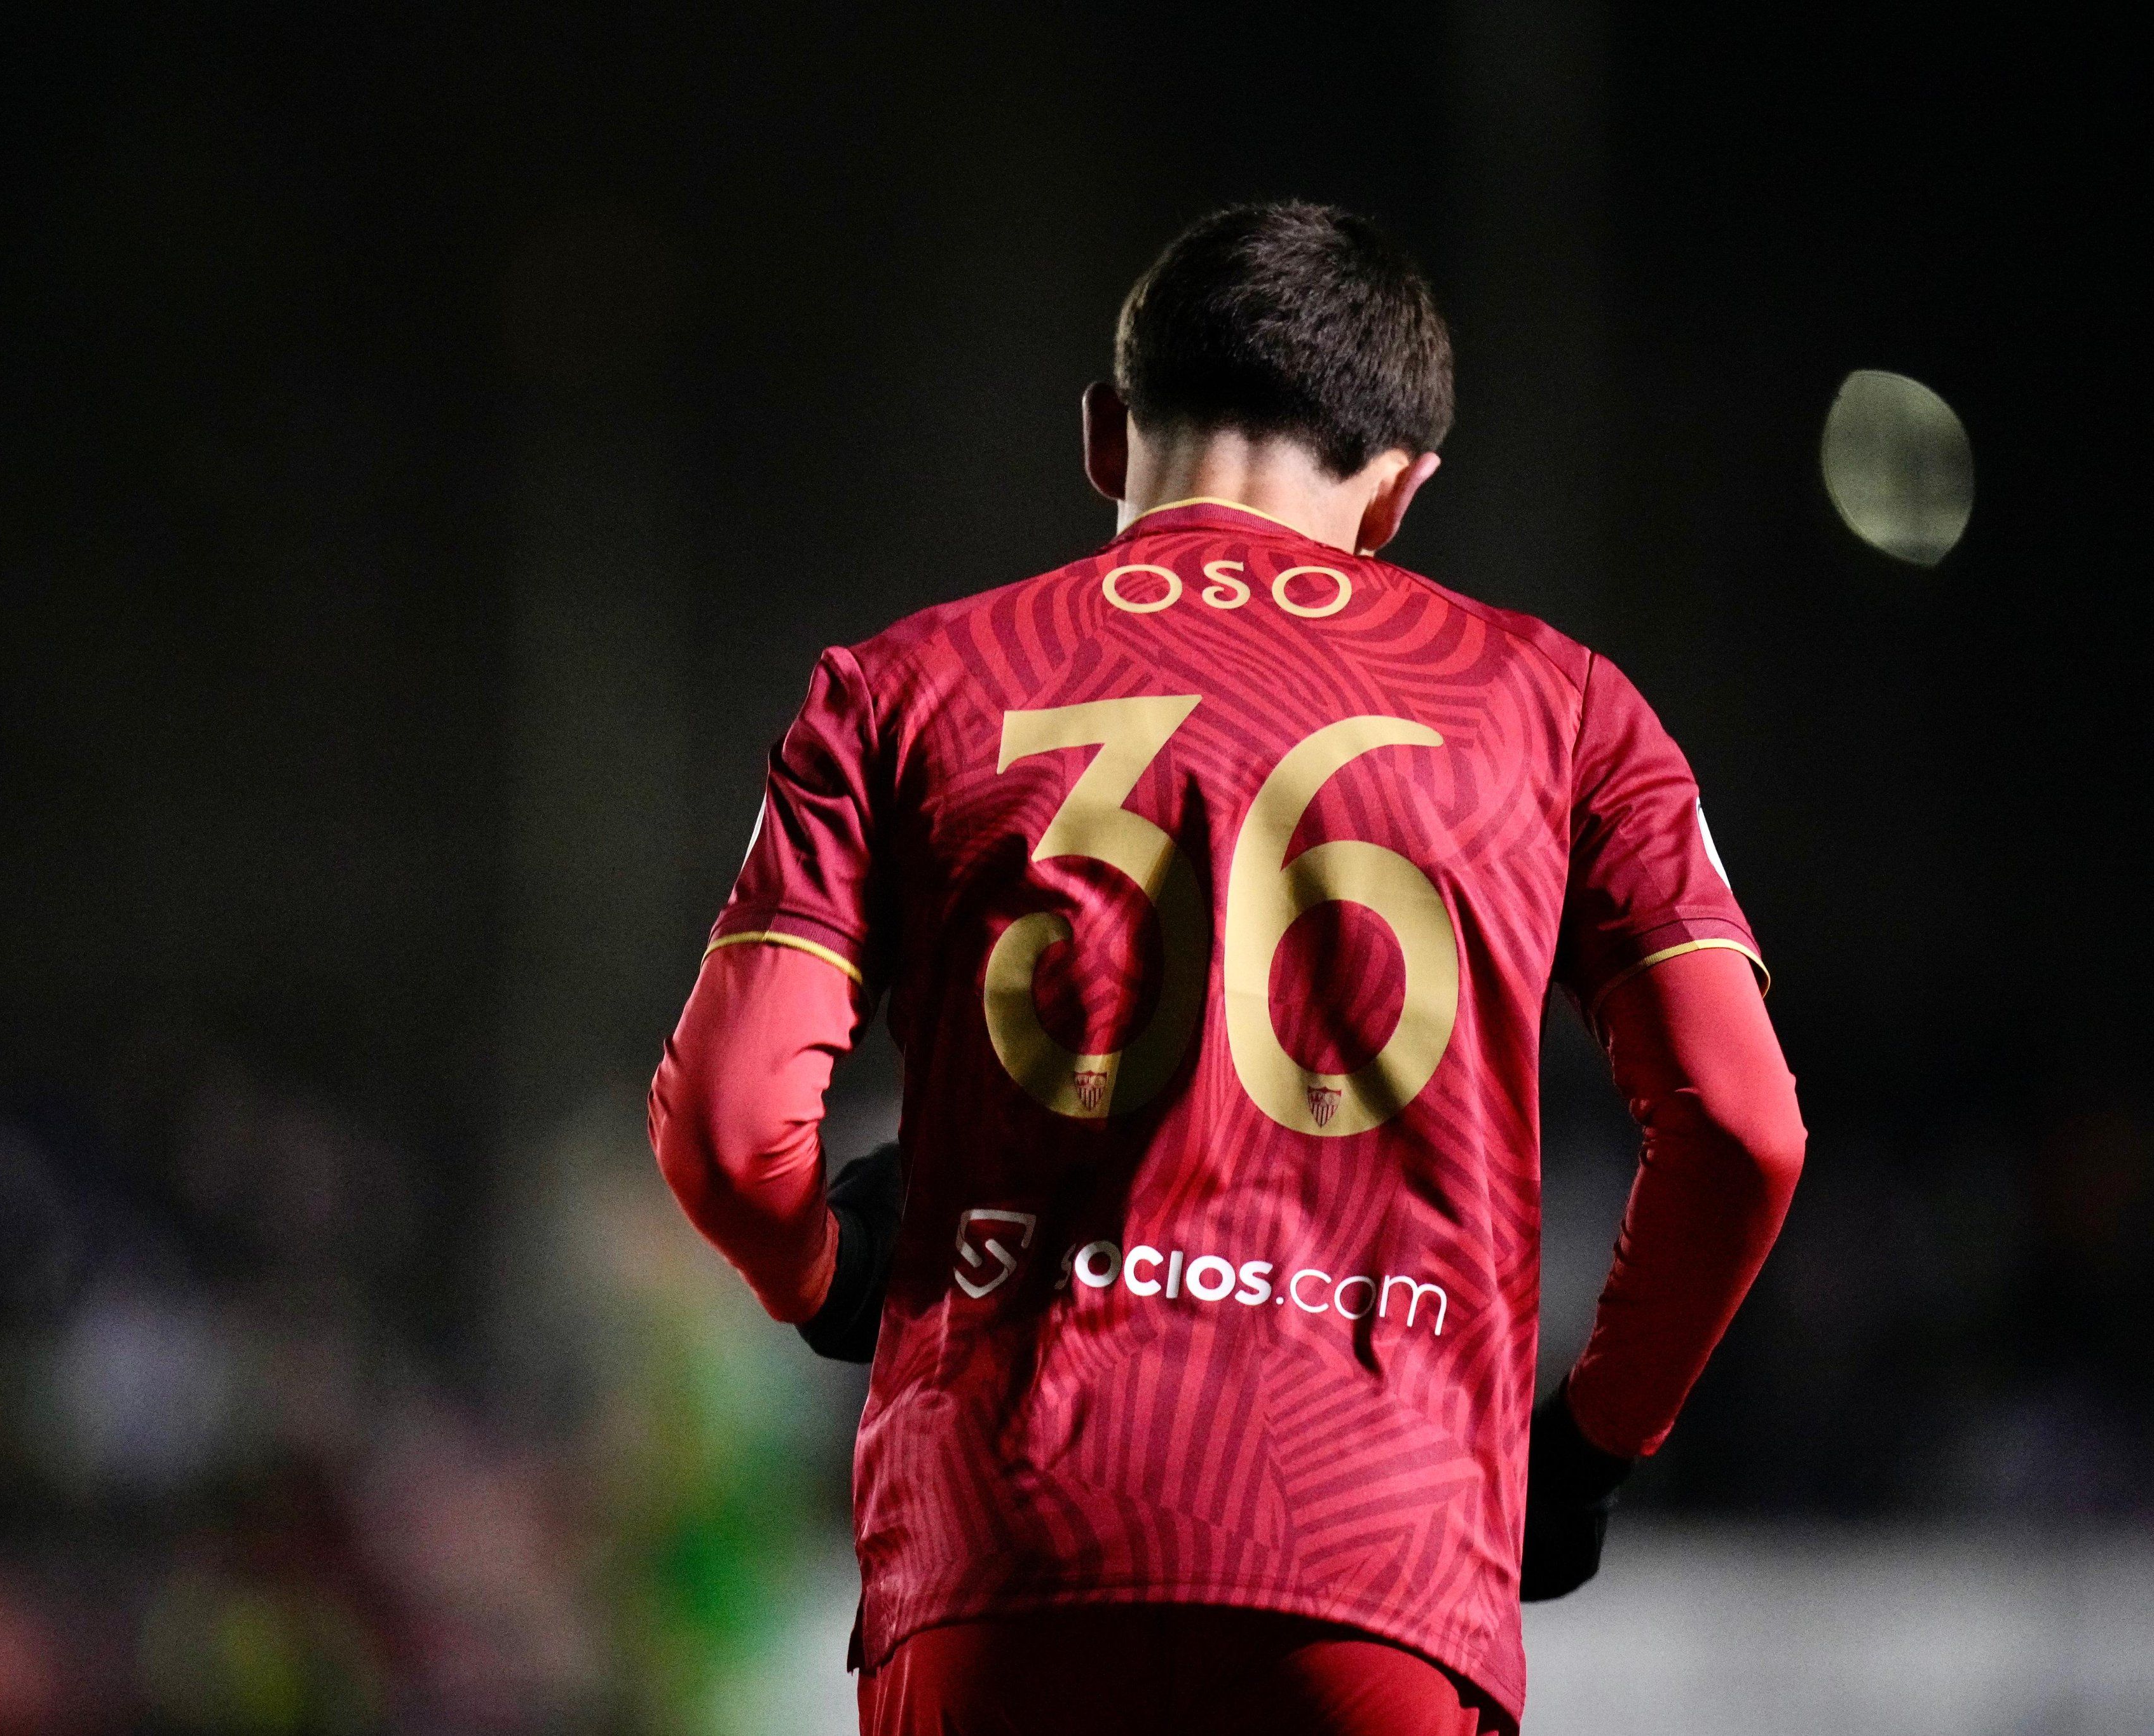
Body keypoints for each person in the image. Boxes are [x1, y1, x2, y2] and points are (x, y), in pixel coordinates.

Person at [646, 202, 1804, 1735]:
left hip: (1004, 1560)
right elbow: (1739, 1128)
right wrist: (1587, 1446)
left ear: (1102, 434)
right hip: (1374, 1565)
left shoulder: (905, 684)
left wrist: (829, 1266)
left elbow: (730, 1133)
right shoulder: (1565, 710)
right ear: (1401, 493)